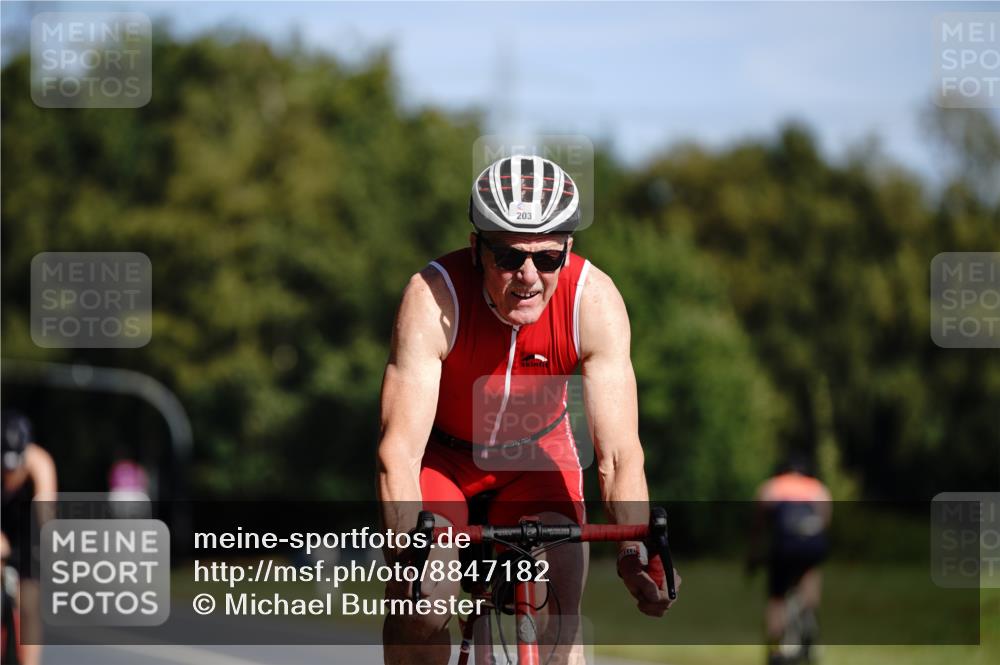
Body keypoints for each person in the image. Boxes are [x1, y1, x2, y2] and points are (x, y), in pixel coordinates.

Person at [377, 155, 680, 665]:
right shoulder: (432, 298)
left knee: (559, 614)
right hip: (443, 461)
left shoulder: (594, 301)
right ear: (476, 249)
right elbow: (399, 452)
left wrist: (633, 549)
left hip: (537, 456)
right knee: (425, 603)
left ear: (568, 250)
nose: (528, 277)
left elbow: (620, 457)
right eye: (508, 257)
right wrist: (408, 550)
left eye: (547, 259)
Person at [748, 454, 831, 665]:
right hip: (812, 545)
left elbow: (758, 526)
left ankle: (775, 649)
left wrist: (754, 555)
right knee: (810, 575)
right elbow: (824, 522)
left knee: (776, 599)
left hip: (784, 544)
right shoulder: (816, 487)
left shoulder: (772, 487)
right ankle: (809, 614)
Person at [1, 409, 57, 665]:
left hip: (25, 529)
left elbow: (45, 514)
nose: (9, 473)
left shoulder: (40, 462)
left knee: (31, 601)